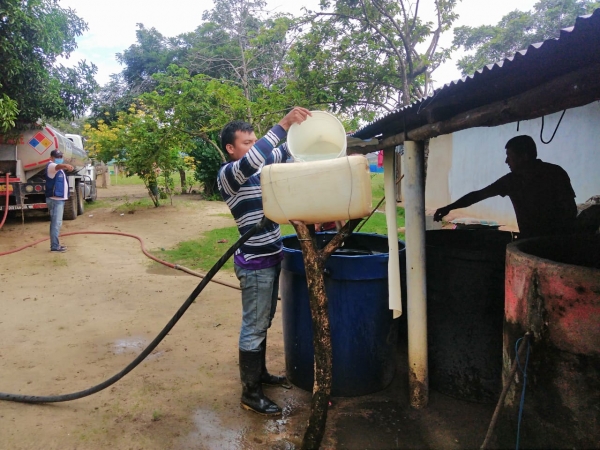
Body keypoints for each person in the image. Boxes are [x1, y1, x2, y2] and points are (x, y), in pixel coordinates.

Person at [217, 107, 311, 416]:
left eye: (254, 140)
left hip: (272, 257)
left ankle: (261, 375)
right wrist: (283, 123)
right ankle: (250, 393)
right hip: (256, 264)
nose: (253, 145)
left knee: (264, 321)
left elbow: (285, 150)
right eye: (247, 141)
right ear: (231, 148)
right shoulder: (230, 174)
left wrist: (305, 130)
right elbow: (256, 157)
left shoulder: (259, 167)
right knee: (254, 326)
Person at [434, 135, 577, 239]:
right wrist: (449, 207)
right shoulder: (512, 180)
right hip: (531, 241)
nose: (506, 160)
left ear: (524, 156)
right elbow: (477, 195)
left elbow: (570, 210)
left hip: (557, 241)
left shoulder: (554, 174)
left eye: (510, 155)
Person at [45, 149, 74, 252]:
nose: (59, 159)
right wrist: (65, 165)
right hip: (55, 200)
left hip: (58, 199)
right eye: (57, 157)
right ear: (51, 158)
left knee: (57, 223)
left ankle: (55, 245)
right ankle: (54, 246)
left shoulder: (57, 168)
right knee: (56, 223)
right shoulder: (51, 166)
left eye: (60, 157)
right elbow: (57, 166)